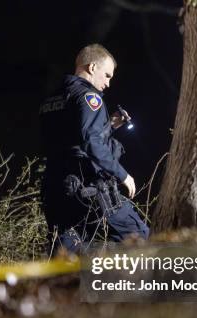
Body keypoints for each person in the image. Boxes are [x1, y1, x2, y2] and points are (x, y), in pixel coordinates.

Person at [39, 44, 149, 255]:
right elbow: (90, 142)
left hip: (56, 190)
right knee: (140, 238)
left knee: (67, 260)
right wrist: (123, 174)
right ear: (91, 68)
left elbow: (70, 137)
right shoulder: (90, 98)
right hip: (87, 186)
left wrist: (108, 126)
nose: (108, 83)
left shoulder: (51, 98)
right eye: (106, 75)